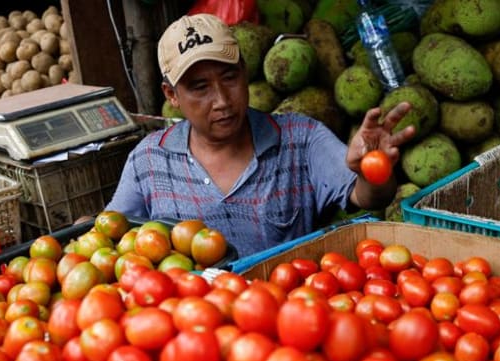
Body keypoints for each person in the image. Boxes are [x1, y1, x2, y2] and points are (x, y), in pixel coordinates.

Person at [105, 13, 416, 257]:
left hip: (286, 322)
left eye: (230, 78)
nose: (222, 100)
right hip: (192, 329)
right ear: (171, 95)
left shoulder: (300, 138)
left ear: (244, 72)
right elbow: (110, 237)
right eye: (200, 87)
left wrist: (374, 170)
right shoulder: (148, 159)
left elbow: (368, 196)